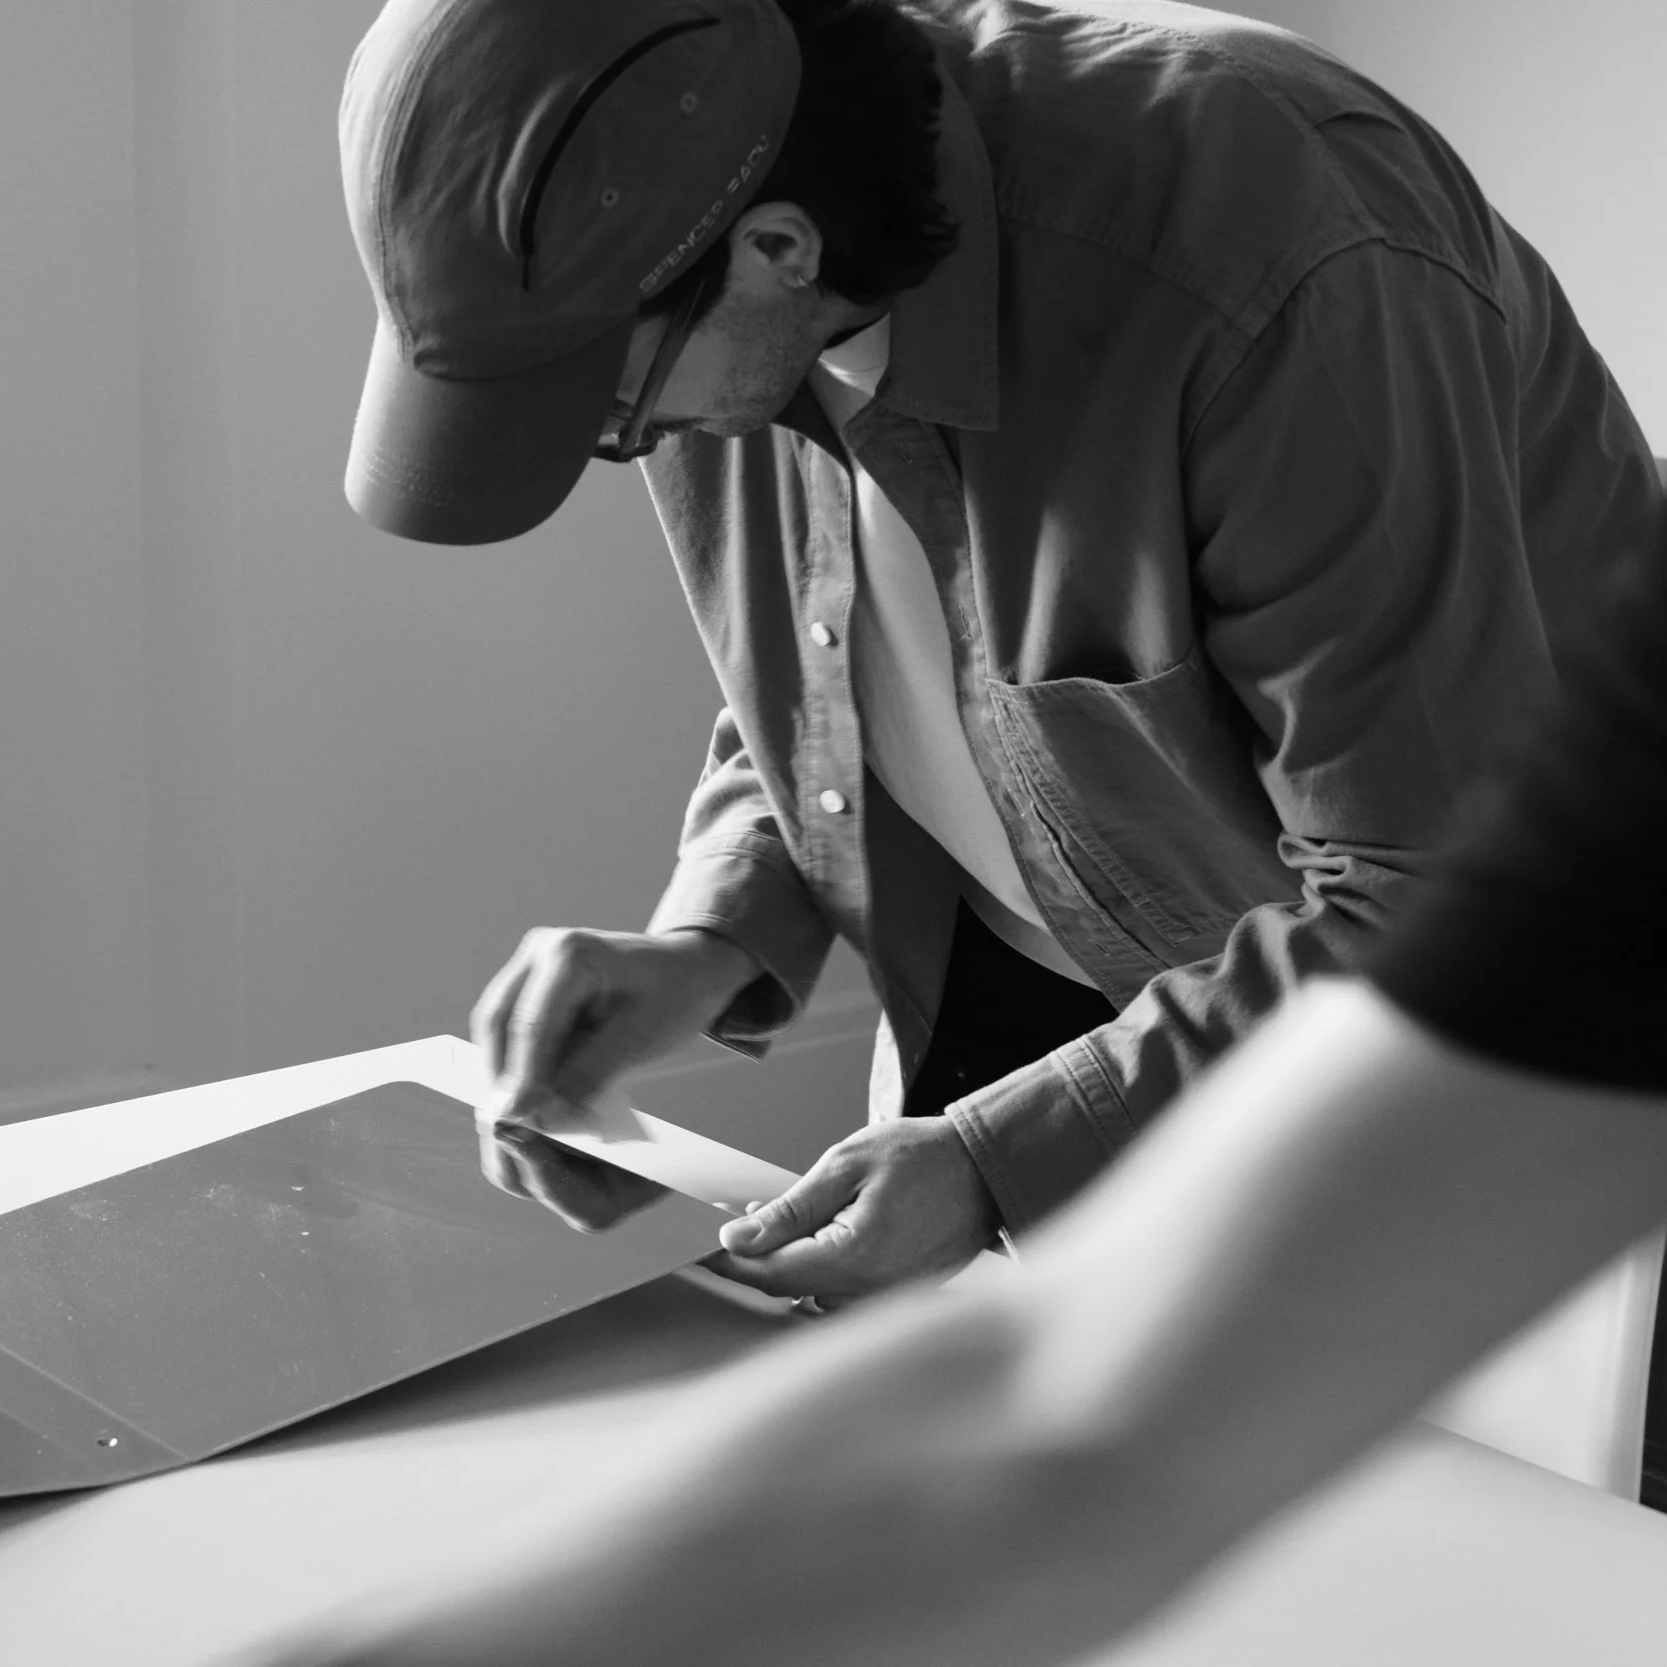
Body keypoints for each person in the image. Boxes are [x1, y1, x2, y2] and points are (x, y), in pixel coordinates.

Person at [339, 0, 1662, 1307]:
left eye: (610, 413)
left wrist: (995, 1157)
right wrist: (714, 934)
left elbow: (1435, 896)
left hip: (1520, 1043)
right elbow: (852, 641)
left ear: (778, 249)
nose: (612, 442)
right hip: (1067, 997)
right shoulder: (719, 246)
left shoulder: (1277, 251)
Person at [259, 461, 1666, 1665]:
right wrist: (716, 930)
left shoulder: (1282, 280)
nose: (630, 442)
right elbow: (1056, 1407)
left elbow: (1056, 1429)